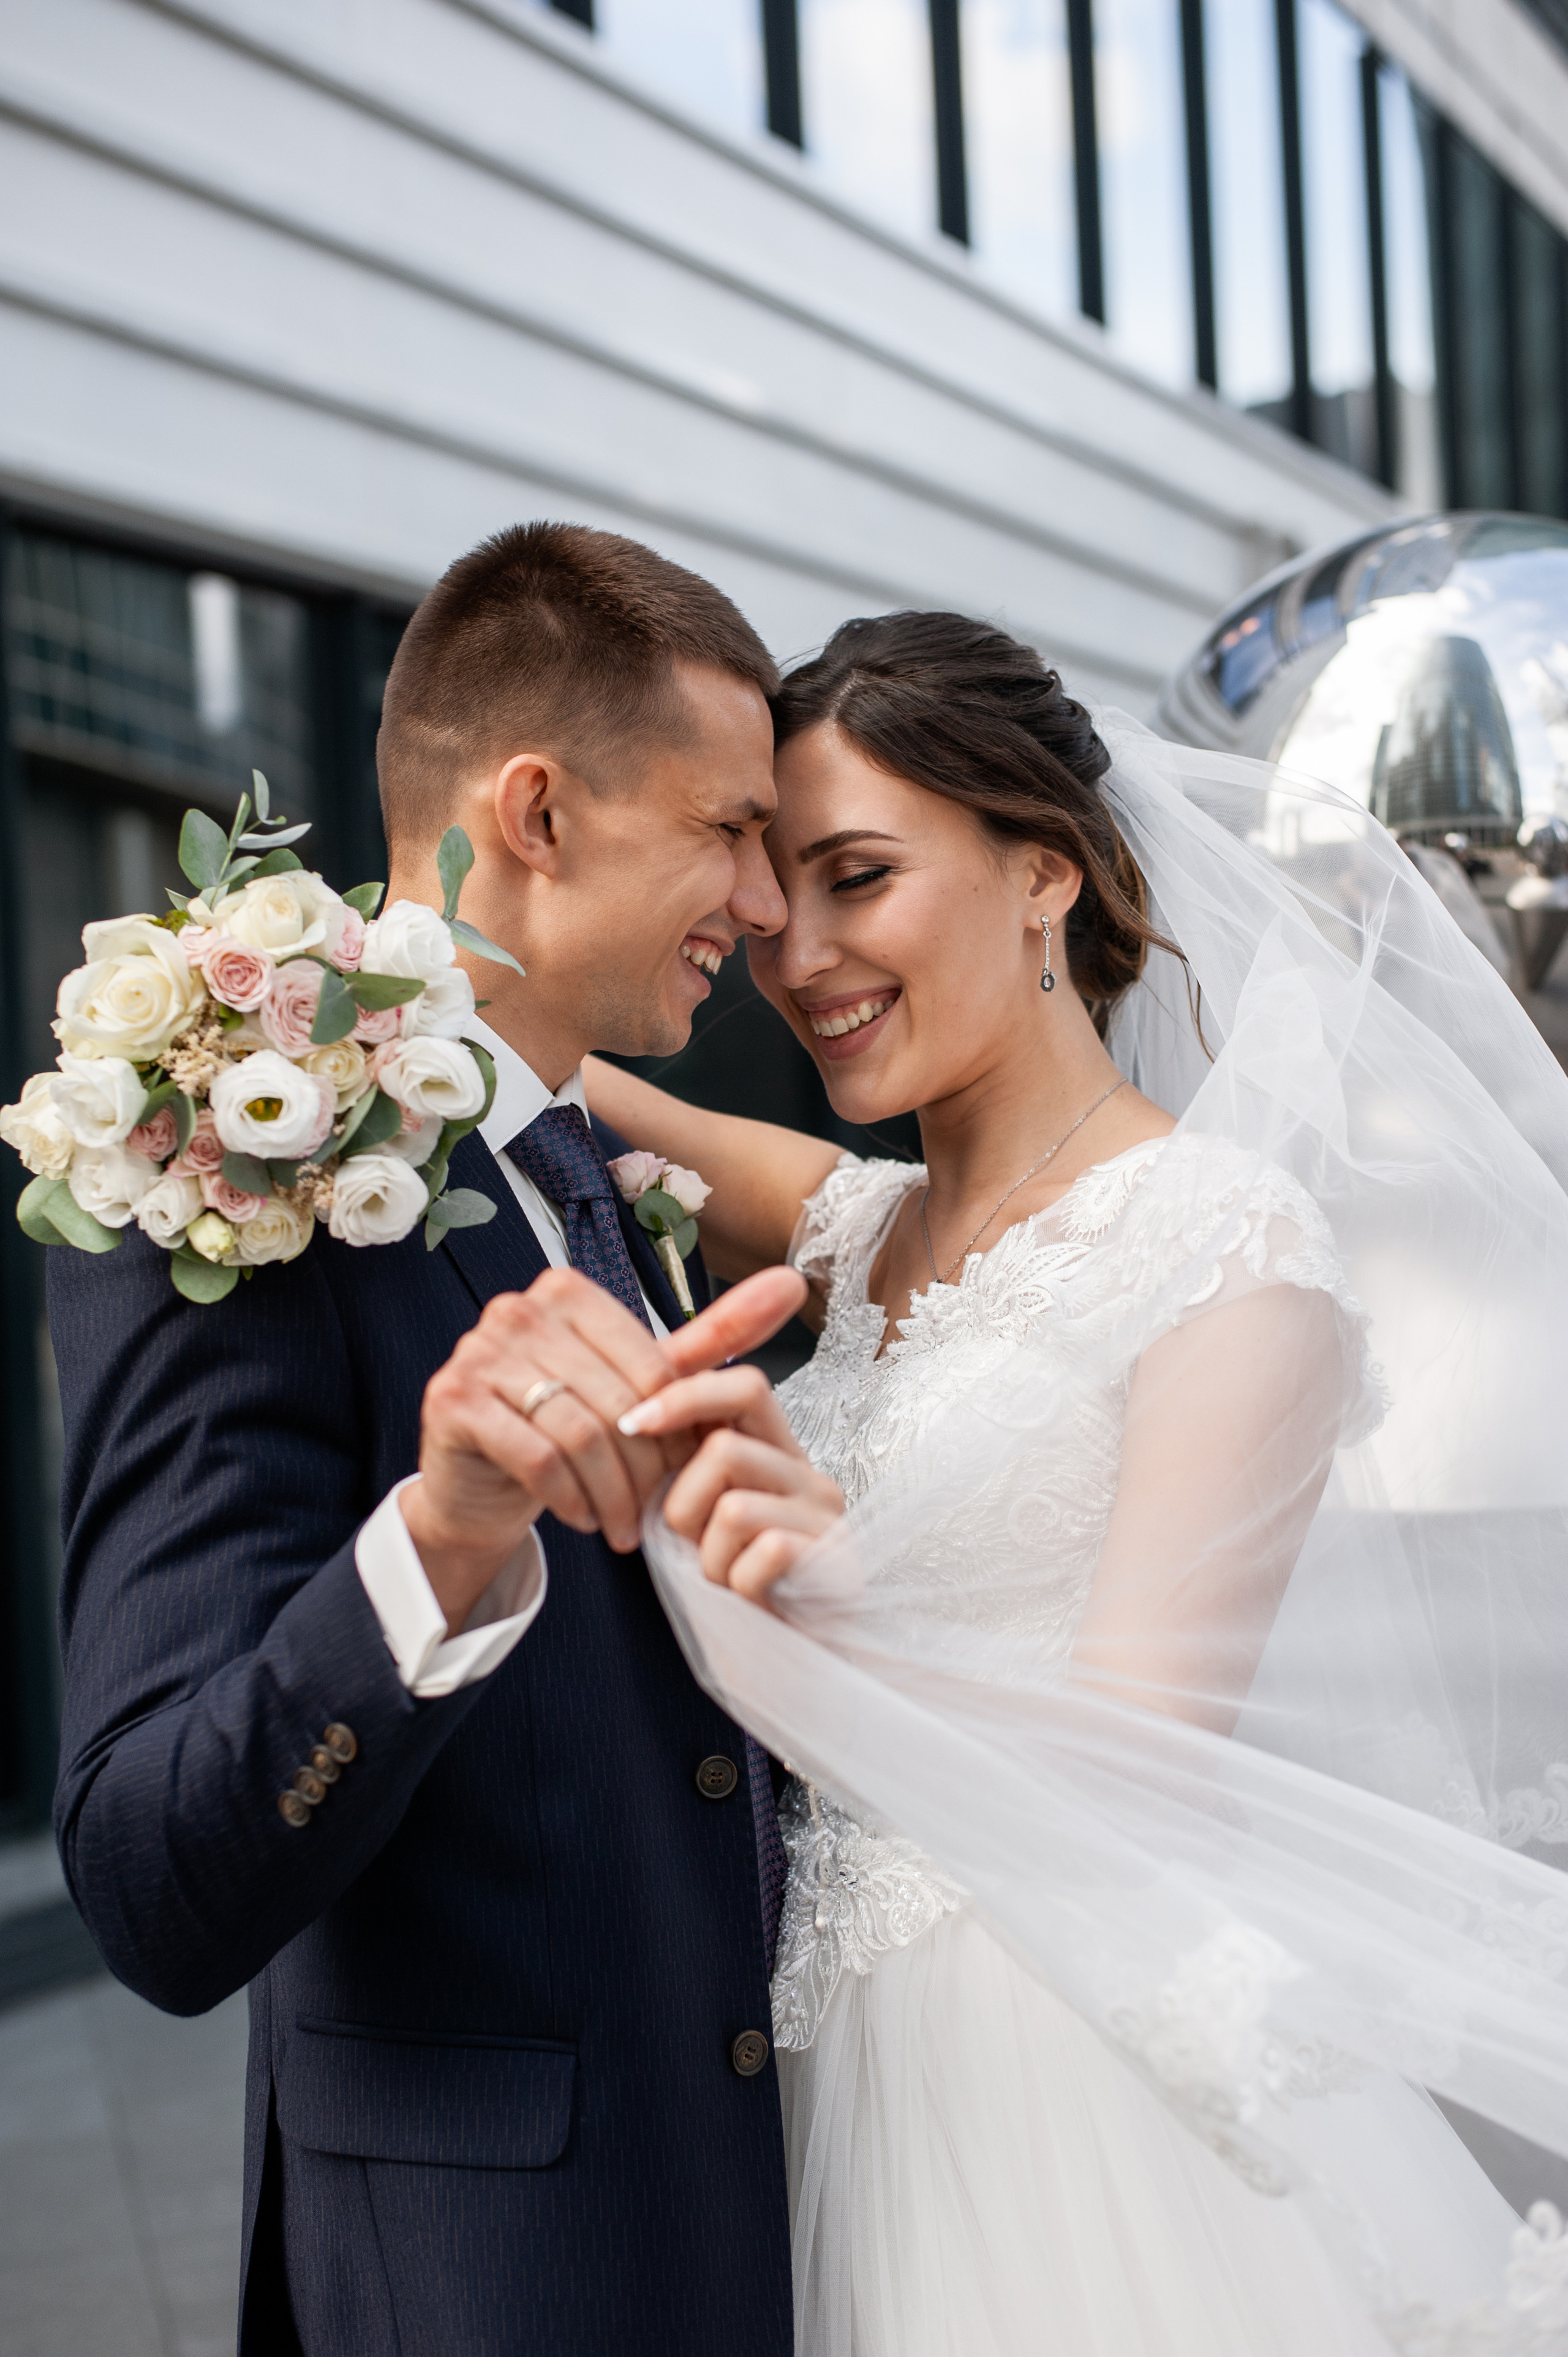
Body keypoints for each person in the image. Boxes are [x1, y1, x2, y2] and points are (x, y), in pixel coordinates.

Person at [587, 610, 1568, 2354]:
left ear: (1044, 874)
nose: (795, 955)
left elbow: (1137, 1767)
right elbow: (544, 1079)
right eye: (771, 895)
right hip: (816, 2063)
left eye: (859, 878)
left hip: (1058, 2084)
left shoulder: (1226, 1250)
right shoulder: (865, 1227)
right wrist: (337, 998)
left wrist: (791, 1632)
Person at [48, 523, 811, 2357]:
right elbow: (154, 1880)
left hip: (735, 2225)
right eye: (728, 829)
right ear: (535, 814)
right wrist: (442, 1535)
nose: (769, 904)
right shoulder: (235, 1164)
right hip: (494, 2290)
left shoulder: (595, 1170)